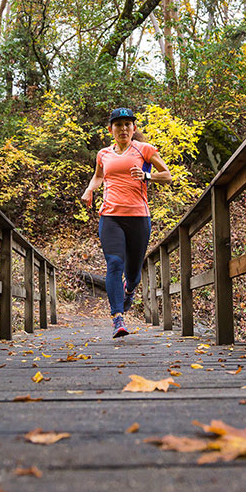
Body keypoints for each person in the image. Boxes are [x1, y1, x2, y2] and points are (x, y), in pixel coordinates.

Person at [81, 107, 172, 337]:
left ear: (134, 128)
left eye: (127, 124)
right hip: (110, 216)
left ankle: (129, 290)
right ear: (111, 129)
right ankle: (117, 318)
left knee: (132, 273)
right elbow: (99, 176)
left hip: (139, 217)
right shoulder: (103, 154)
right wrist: (90, 190)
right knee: (114, 264)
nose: (123, 129)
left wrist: (147, 175)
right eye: (118, 125)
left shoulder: (145, 150)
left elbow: (168, 176)